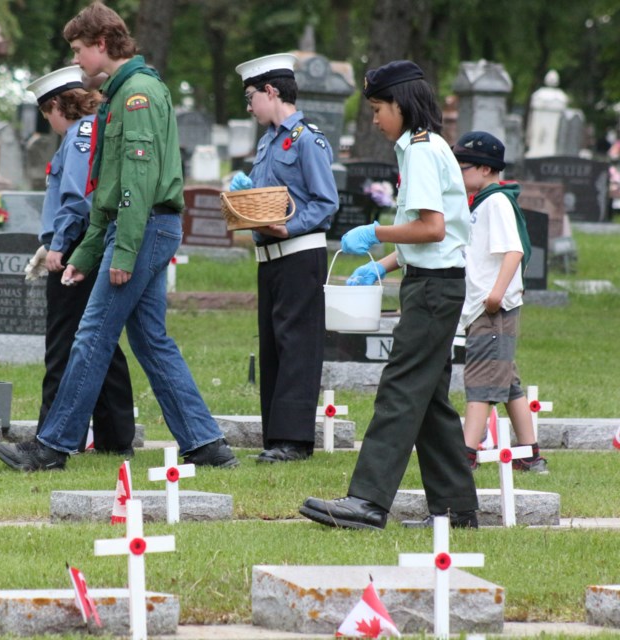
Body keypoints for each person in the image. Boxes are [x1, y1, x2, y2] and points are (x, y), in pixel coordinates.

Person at [0, 1, 238, 472]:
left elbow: (138, 183)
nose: (78, 61)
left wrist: (122, 250)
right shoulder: (121, 93)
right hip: (138, 227)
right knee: (150, 341)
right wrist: (86, 252)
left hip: (142, 229)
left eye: (80, 50)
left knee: (92, 335)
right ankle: (207, 445)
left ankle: (52, 446)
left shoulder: (137, 94)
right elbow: (108, 188)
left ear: (102, 45)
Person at [299, 60, 479, 530]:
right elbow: (438, 233)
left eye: (378, 108)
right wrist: (384, 261)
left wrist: (375, 231)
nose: (375, 118)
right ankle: (457, 510)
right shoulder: (428, 146)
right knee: (429, 398)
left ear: (401, 105)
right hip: (433, 283)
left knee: (400, 389)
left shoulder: (421, 151)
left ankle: (367, 501)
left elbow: (432, 228)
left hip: (433, 291)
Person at [228, 54, 339, 463]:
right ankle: (275, 435)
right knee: (274, 346)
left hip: (298, 253)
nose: (249, 105)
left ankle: (294, 440)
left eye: (251, 96)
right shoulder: (268, 141)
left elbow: (326, 204)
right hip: (269, 257)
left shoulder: (308, 139)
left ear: (271, 92)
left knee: (297, 346)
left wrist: (288, 227)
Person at [26, 65, 136, 455]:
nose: (49, 123)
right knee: (101, 343)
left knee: (63, 344)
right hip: (88, 244)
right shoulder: (95, 131)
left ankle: (48, 436)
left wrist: (56, 246)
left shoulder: (77, 137)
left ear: (57, 105)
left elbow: (76, 198)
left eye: (46, 114)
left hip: (75, 250)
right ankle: (115, 437)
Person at [452, 131, 547, 473]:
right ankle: (529, 454)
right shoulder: (482, 201)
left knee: (479, 381)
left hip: (492, 308)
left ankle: (464, 458)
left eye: (462, 168)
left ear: (485, 168)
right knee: (507, 382)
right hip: (485, 307)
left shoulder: (497, 202)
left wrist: (494, 296)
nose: (458, 175)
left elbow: (513, 250)